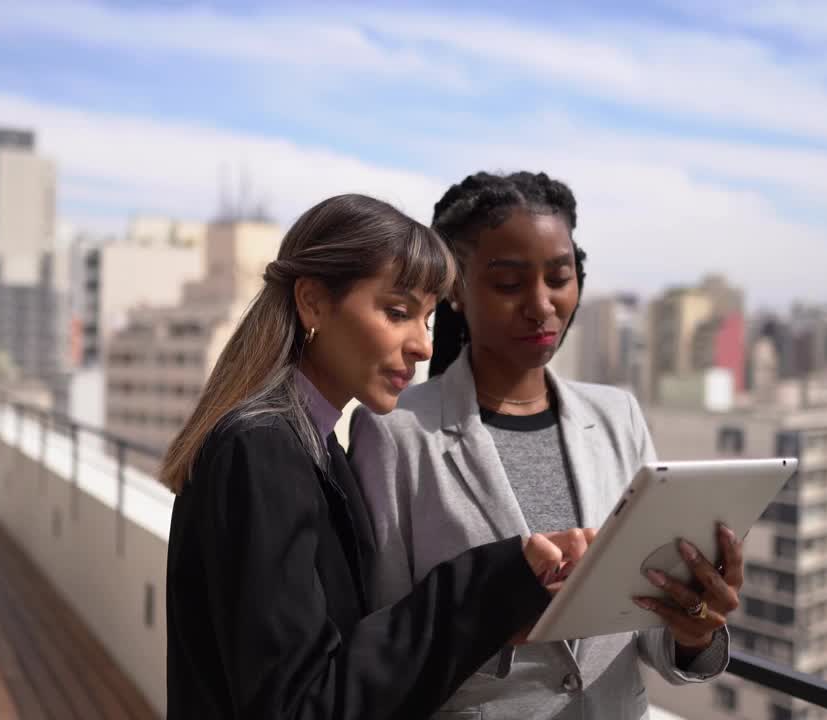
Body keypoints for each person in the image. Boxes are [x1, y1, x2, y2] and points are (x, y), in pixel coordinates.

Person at [164, 193, 594, 720]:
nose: (422, 347)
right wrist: (486, 589)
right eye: (397, 312)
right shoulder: (261, 449)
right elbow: (302, 705)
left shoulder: (314, 446)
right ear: (313, 302)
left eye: (429, 320)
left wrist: (501, 611)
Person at [350, 172, 741, 719]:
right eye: (509, 285)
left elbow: (644, 626)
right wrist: (497, 621)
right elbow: (386, 639)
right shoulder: (394, 432)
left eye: (559, 277)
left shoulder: (618, 416)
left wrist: (693, 630)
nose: (541, 305)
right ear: (456, 290)